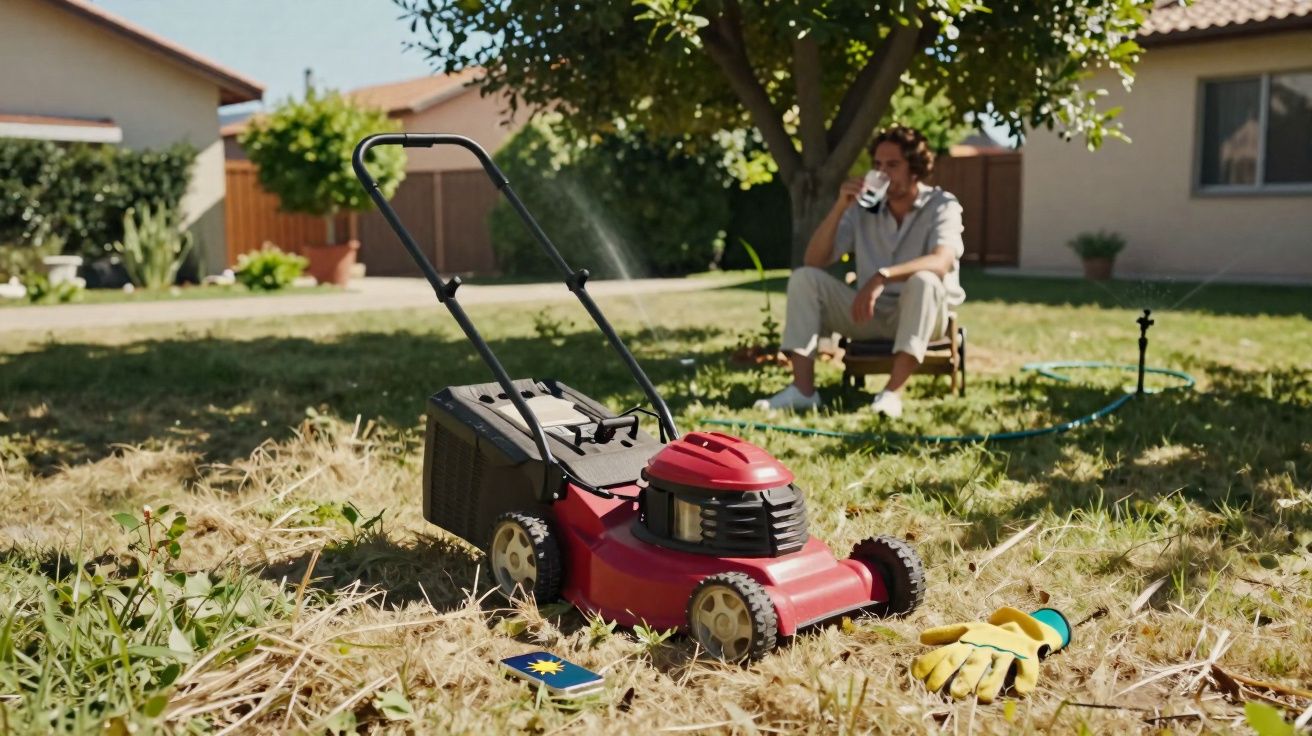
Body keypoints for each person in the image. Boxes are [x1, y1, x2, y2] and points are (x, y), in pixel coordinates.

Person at [754, 125, 966, 418]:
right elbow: (814, 259)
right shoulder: (863, 207)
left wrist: (882, 276)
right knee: (804, 278)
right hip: (867, 313)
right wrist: (841, 206)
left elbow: (941, 261)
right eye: (877, 165)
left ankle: (892, 394)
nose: (882, 173)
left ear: (914, 168)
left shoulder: (942, 205)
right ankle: (803, 391)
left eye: (892, 165)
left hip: (922, 316)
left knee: (926, 280)